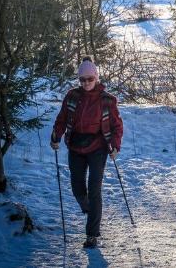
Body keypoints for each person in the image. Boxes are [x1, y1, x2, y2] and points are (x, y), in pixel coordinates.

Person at [50, 56, 123, 249]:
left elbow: (116, 125)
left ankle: (92, 235)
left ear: (96, 78)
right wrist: (56, 136)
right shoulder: (72, 96)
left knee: (94, 189)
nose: (86, 83)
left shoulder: (107, 100)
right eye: (82, 80)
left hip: (98, 147)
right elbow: (62, 119)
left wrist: (115, 145)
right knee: (77, 187)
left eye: (90, 79)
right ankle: (91, 210)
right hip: (75, 146)